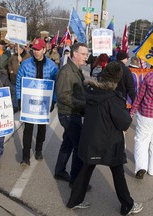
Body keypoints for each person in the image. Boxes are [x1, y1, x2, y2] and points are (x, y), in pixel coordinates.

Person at [66, 62, 143, 215]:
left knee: (85, 170)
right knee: (118, 173)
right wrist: (128, 114)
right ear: (117, 80)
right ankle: (127, 205)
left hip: (91, 140)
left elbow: (82, 109)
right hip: (109, 142)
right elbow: (124, 123)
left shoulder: (90, 90)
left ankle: (74, 201)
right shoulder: (114, 98)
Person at [16, 38, 58, 166]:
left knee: (41, 128)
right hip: (29, 102)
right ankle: (25, 156)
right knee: (28, 129)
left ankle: (39, 149)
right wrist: (19, 98)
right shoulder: (25, 64)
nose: (36, 52)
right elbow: (19, 82)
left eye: (38, 49)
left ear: (44, 50)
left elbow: (56, 85)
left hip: (43, 103)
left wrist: (53, 101)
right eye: (34, 49)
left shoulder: (52, 66)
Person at [54, 42, 87, 186]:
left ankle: (59, 171)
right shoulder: (67, 71)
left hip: (73, 112)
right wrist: (83, 105)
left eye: (87, 54)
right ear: (75, 54)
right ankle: (76, 181)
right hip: (69, 114)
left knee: (68, 143)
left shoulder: (76, 70)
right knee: (79, 146)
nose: (86, 57)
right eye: (84, 54)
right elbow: (63, 96)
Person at [7, 44, 30, 113]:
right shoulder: (13, 56)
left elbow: (29, 66)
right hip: (14, 77)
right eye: (16, 48)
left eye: (18, 48)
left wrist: (21, 61)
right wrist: (10, 70)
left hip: (23, 78)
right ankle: (15, 106)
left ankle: (22, 106)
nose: (16, 50)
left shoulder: (27, 56)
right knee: (14, 92)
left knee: (21, 93)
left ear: (22, 49)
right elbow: (9, 63)